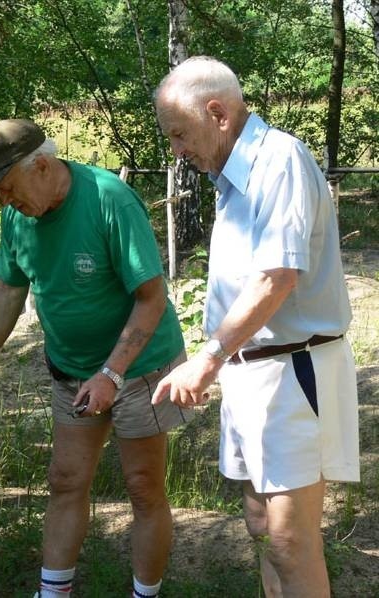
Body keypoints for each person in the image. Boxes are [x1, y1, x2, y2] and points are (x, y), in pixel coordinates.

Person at [0, 118, 192, 598]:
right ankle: (54, 594)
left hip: (140, 368)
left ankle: (145, 594)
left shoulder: (108, 199)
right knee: (66, 479)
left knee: (142, 486)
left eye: (7, 188)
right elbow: (8, 292)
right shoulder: (19, 215)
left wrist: (112, 373)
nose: (3, 202)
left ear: (44, 166)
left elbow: (152, 298)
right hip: (72, 370)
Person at [152, 56, 360, 597]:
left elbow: (276, 278)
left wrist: (208, 357)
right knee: (262, 528)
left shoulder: (279, 161)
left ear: (217, 113)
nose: (177, 151)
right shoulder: (233, 177)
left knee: (291, 542)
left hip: (292, 371)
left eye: (179, 134)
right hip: (251, 372)